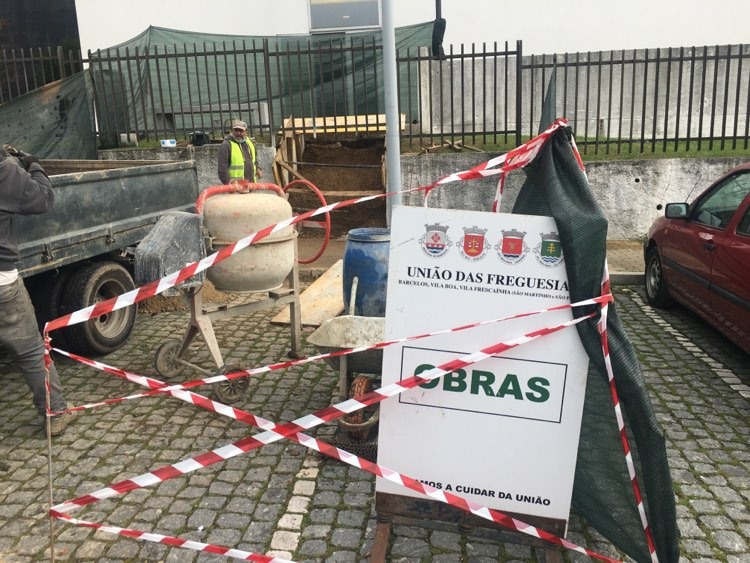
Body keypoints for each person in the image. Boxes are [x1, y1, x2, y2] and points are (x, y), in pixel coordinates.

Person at [0, 147, 77, 436]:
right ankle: (55, 413)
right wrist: (32, 165)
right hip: (2, 281)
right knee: (31, 350)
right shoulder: (5, 170)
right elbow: (43, 199)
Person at [217, 119, 263, 184]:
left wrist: (258, 168)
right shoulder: (226, 145)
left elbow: (255, 160)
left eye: (241, 131)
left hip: (251, 185)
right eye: (236, 130)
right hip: (235, 188)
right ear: (232, 131)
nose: (238, 133)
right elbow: (222, 169)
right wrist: (229, 182)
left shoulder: (250, 142)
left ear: (246, 132)